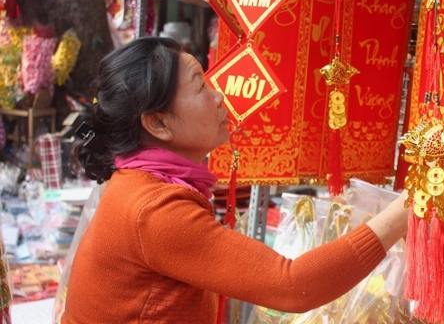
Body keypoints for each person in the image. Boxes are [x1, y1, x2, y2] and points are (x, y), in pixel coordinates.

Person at [61, 37, 411, 324]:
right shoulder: (154, 210)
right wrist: (406, 209)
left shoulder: (137, 185)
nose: (218, 97)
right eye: (200, 87)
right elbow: (293, 285)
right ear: (158, 123)